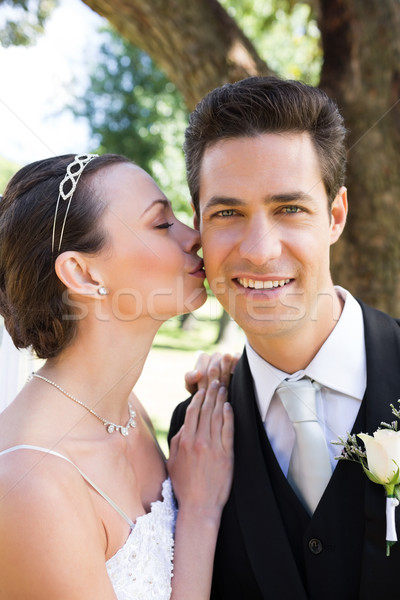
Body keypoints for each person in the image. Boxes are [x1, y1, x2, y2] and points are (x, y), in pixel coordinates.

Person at [169, 76, 400, 600]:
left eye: (288, 209)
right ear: (200, 229)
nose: (258, 249)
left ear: (335, 216)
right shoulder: (193, 432)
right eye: (227, 213)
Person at [0, 153, 234, 600]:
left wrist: (217, 389)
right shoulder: (29, 484)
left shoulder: (127, 409)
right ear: (82, 273)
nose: (196, 237)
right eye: (162, 224)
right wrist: (200, 513)